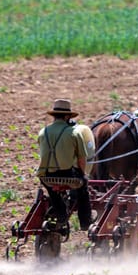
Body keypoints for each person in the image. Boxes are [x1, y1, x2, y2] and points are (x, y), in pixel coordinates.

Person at [36, 99, 92, 231]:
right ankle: (85, 222)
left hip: (47, 176)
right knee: (83, 190)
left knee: (52, 191)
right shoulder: (74, 133)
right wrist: (83, 174)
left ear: (54, 116)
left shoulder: (43, 132)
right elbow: (82, 159)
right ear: (67, 116)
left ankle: (60, 213)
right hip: (68, 175)